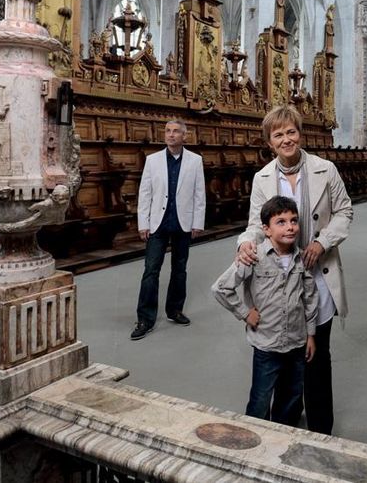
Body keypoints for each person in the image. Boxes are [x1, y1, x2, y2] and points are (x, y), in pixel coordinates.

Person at [236, 105, 353, 434]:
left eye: (291, 132)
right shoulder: (262, 178)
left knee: (317, 355)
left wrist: (323, 241)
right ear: (269, 143)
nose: (286, 139)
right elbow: (255, 226)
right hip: (279, 279)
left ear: (300, 134)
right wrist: (245, 243)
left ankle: (320, 428)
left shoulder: (325, 169)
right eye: (278, 135)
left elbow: (344, 212)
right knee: (286, 354)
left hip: (318, 272)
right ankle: (287, 423)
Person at [213, 196, 318, 426]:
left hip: (296, 342)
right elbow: (221, 288)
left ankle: (284, 435)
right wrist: (245, 312)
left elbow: (309, 297)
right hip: (266, 344)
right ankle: (257, 438)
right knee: (260, 399)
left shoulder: (301, 258)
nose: (290, 226)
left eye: (294, 220)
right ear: (266, 230)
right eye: (280, 222)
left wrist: (310, 334)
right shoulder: (254, 256)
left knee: (291, 396)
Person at [131, 120, 206, 340]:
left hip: (183, 222)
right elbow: (145, 193)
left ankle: (174, 310)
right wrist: (143, 223)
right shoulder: (152, 160)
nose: (171, 135)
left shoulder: (195, 161)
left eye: (176, 132)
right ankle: (145, 318)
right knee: (150, 270)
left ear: (185, 136)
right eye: (168, 131)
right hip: (158, 223)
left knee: (179, 269)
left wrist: (197, 222)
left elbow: (199, 194)